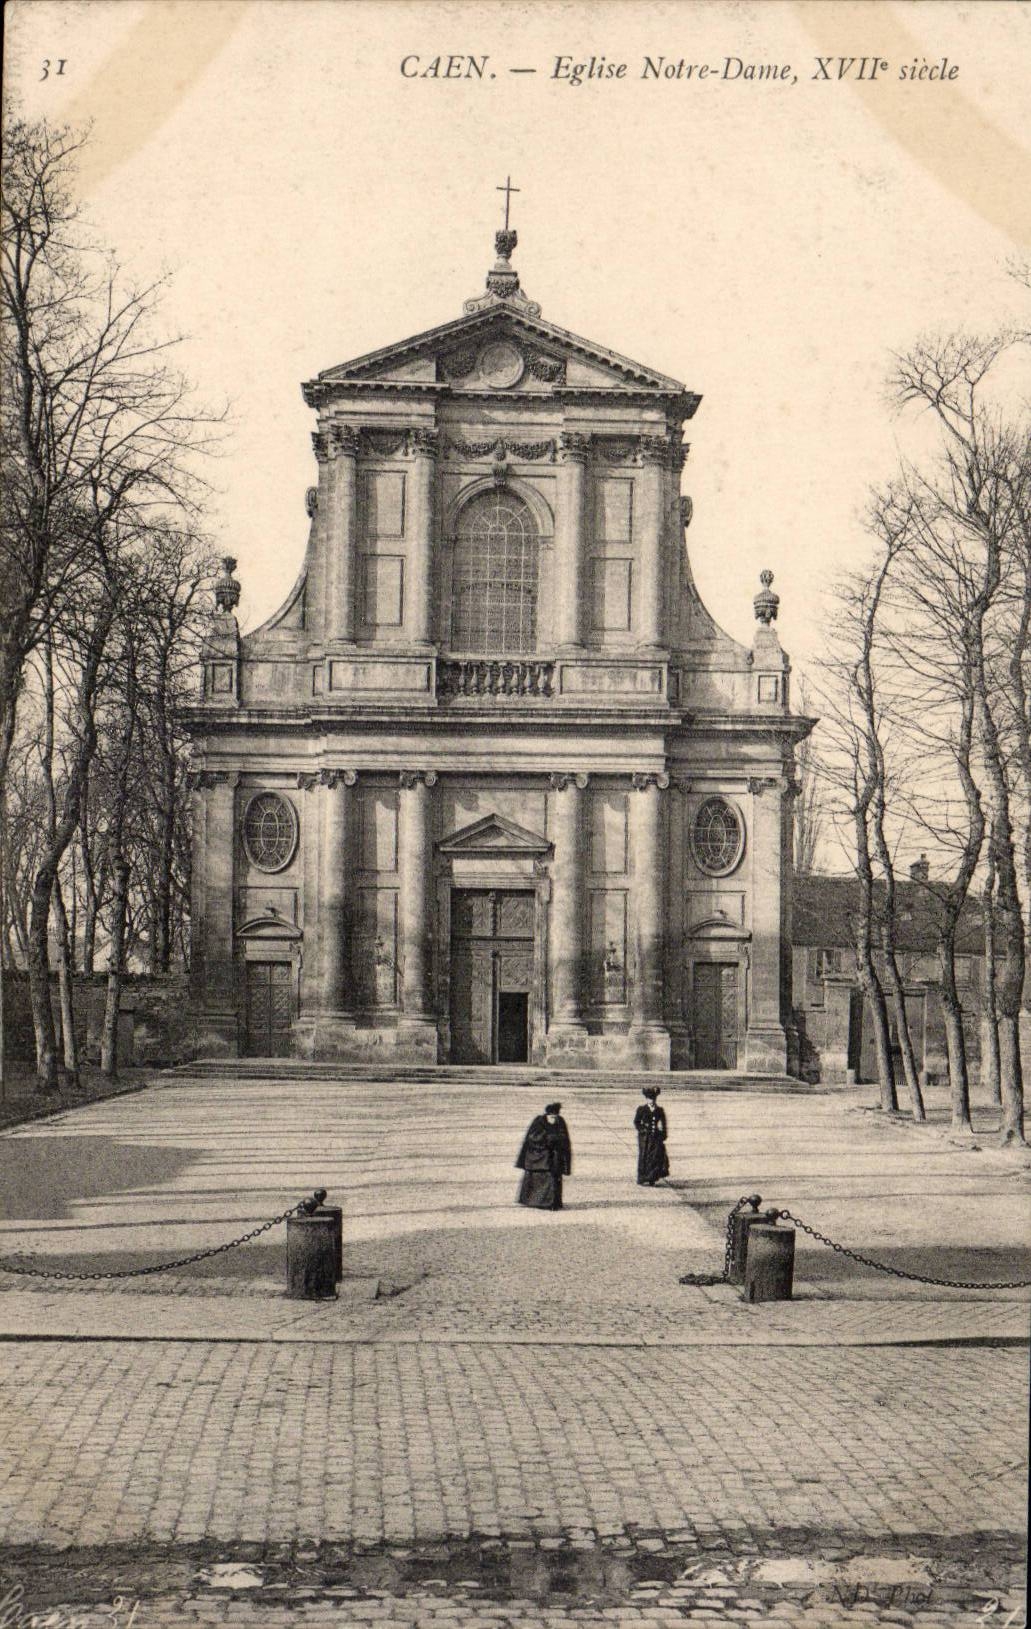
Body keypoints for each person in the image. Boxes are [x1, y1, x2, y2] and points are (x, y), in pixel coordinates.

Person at [515, 1102, 572, 1210]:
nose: (553, 1118)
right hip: (540, 1156)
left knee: (554, 1178)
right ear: (547, 1114)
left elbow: (565, 1137)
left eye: (555, 1116)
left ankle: (553, 1203)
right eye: (551, 1116)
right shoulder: (539, 1121)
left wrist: (560, 1143)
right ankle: (538, 1202)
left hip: (555, 1156)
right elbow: (532, 1137)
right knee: (542, 1178)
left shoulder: (560, 1121)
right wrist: (548, 1139)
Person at [634, 1085, 669, 1186]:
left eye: (653, 1098)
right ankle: (642, 1177)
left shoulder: (659, 1110)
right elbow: (636, 1122)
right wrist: (642, 1129)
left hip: (655, 1136)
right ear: (646, 1099)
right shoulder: (641, 1109)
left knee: (655, 1156)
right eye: (650, 1098)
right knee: (644, 1155)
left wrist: (663, 1134)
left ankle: (652, 1177)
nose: (651, 1100)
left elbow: (664, 1123)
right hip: (645, 1137)